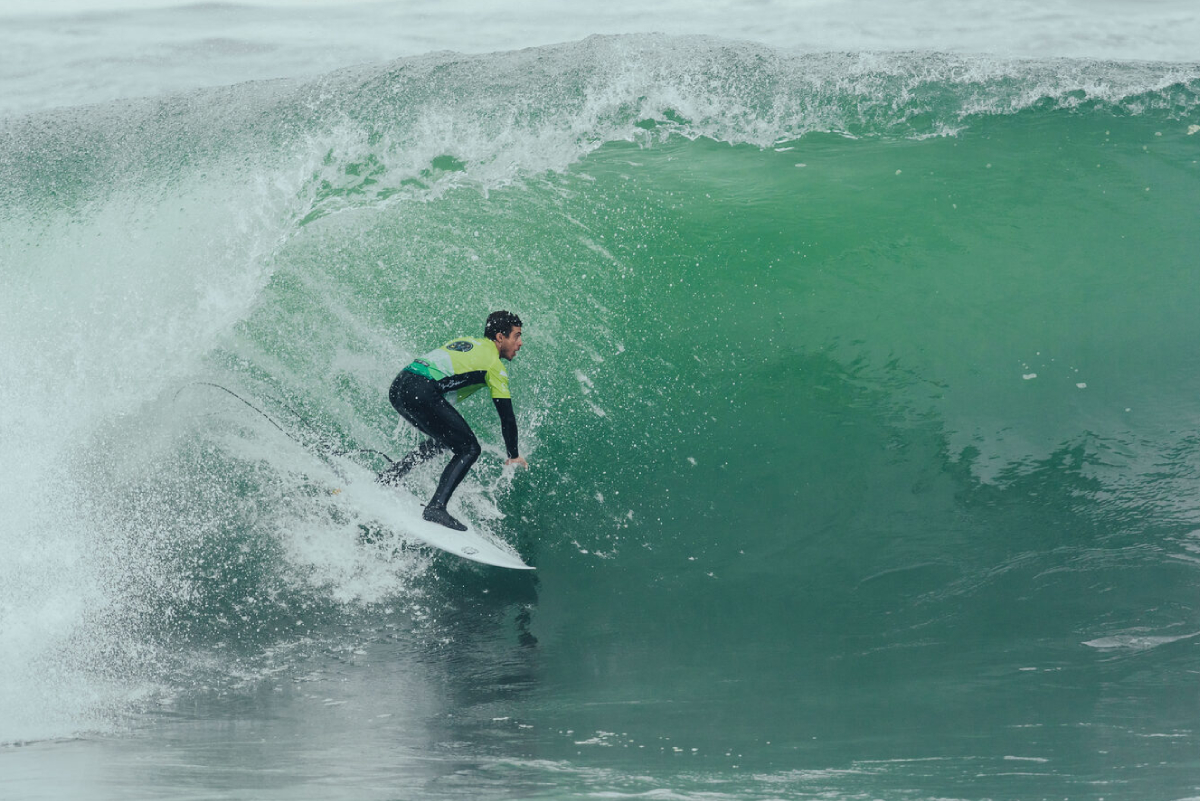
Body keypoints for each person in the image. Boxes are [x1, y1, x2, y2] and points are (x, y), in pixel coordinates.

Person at [378, 311, 528, 530]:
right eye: (516, 336)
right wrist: (513, 454)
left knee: (446, 439)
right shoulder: (494, 366)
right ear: (500, 337)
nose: (520, 343)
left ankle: (392, 475)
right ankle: (436, 507)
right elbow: (507, 417)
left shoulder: (467, 342)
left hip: (400, 385)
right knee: (470, 448)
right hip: (422, 390)